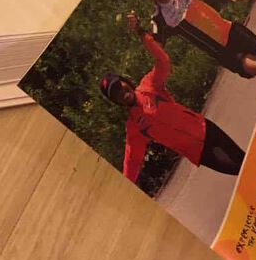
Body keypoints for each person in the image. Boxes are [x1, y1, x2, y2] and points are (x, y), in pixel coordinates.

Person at [100, 13, 245, 184]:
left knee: (244, 160)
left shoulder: (148, 86)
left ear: (125, 81)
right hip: (197, 152)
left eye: (119, 86)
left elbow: (163, 60)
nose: (120, 93)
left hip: (205, 128)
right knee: (239, 172)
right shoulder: (134, 127)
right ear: (115, 101)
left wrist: (141, 33)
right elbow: (131, 161)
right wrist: (124, 186)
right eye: (115, 94)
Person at [129, 0, 256, 79]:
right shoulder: (159, 18)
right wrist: (139, 31)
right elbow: (157, 48)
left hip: (231, 31)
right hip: (223, 51)